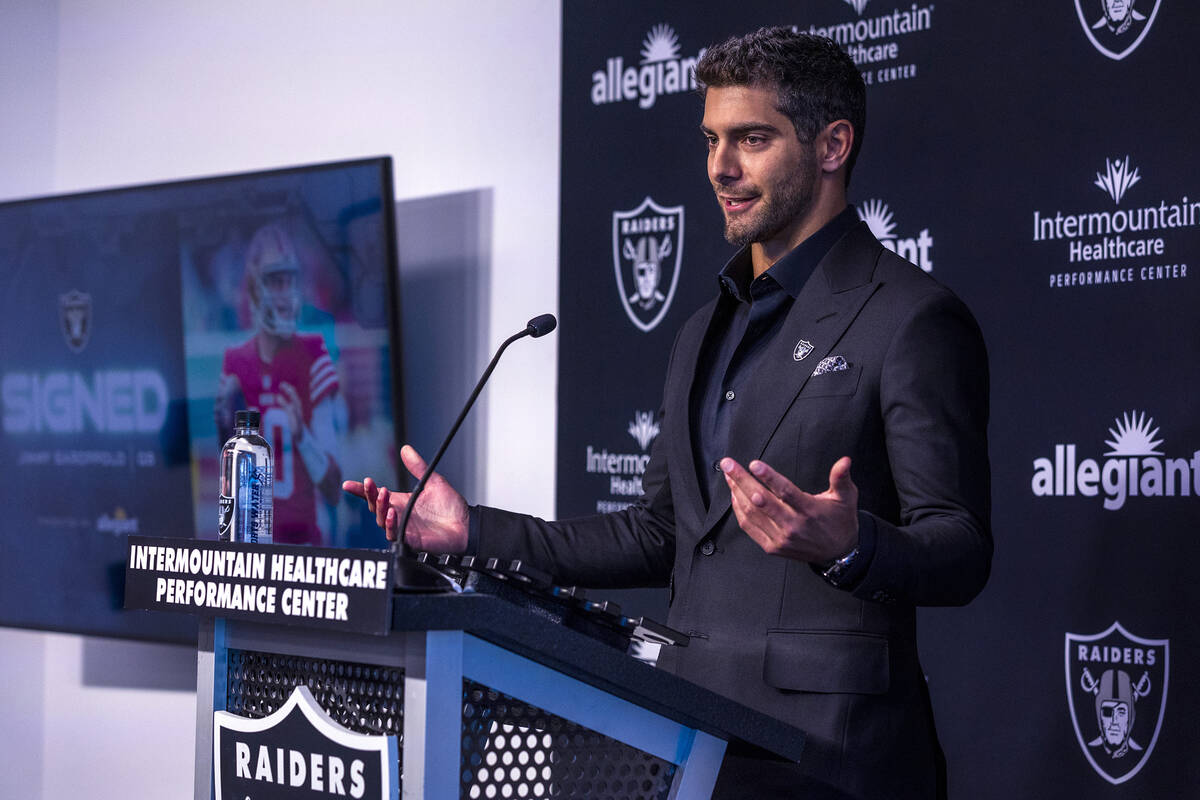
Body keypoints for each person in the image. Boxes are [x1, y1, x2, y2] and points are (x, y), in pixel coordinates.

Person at [346, 28, 991, 799]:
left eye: (753, 139)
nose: (721, 167)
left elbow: (960, 549)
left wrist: (850, 544)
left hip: (835, 761)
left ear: (832, 146)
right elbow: (660, 534)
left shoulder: (912, 317)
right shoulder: (699, 331)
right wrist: (471, 532)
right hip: (685, 740)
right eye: (713, 139)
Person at [216, 222, 343, 545]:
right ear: (255, 288)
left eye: (290, 280)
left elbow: (333, 490)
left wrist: (301, 436)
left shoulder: (313, 354)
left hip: (306, 550)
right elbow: (229, 492)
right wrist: (224, 430)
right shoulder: (235, 362)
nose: (285, 294)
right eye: (275, 281)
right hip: (255, 552)